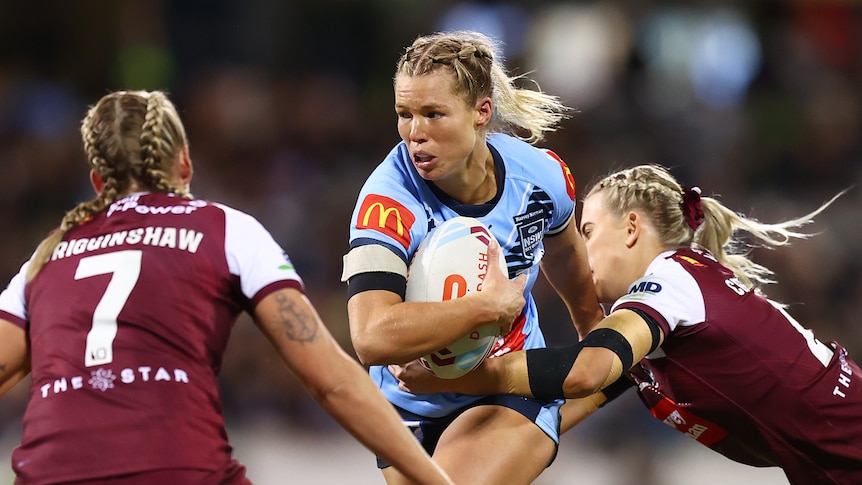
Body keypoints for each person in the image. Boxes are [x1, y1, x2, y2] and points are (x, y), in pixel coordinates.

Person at [0, 90, 454, 485]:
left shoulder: (45, 257)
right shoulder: (225, 229)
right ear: (184, 163)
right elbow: (330, 382)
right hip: (177, 469)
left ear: (98, 183)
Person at [393, 163, 862, 484]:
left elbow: (583, 372)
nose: (579, 251)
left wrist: (452, 378)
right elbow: (554, 409)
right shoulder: (673, 315)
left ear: (633, 228)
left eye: (588, 233)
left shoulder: (671, 277)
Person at [340, 31, 603, 484]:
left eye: (433, 114)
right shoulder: (386, 202)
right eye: (404, 115)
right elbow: (370, 337)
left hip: (508, 383)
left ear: (482, 112)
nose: (415, 134)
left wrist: (595, 338)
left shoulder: (541, 176)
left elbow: (565, 254)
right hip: (410, 404)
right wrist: (485, 307)